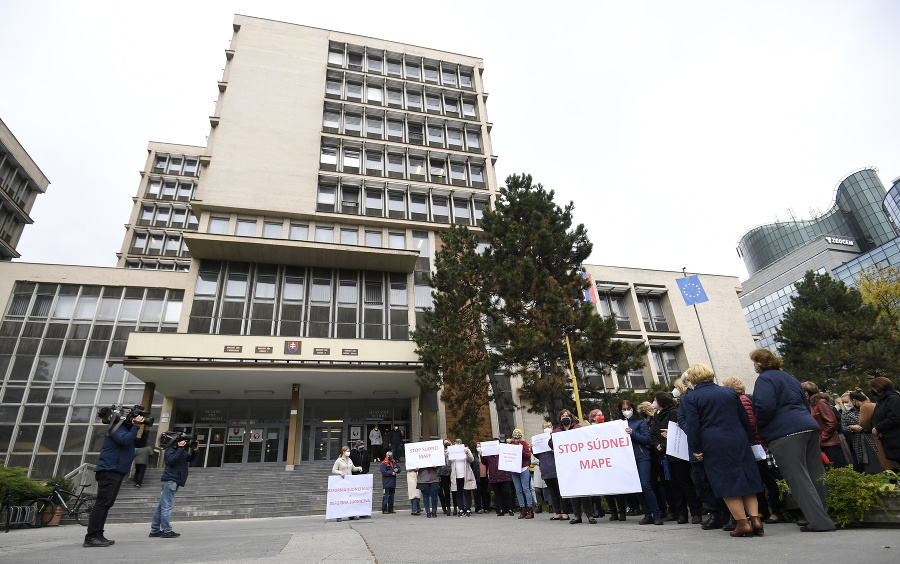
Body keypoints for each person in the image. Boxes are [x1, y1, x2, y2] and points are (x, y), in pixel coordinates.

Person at [750, 349, 835, 532]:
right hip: (808, 426)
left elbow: (765, 406)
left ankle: (819, 522)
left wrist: (762, 426)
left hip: (785, 432)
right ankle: (821, 515)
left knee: (797, 477)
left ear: (760, 363)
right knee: (815, 474)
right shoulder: (790, 378)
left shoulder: (765, 379)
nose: (754, 365)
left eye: (755, 362)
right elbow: (806, 404)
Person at [681, 364, 763, 538]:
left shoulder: (690, 398)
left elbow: (693, 425)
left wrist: (695, 447)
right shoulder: (729, 392)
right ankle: (756, 520)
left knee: (726, 483)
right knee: (747, 479)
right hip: (738, 439)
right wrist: (749, 439)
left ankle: (742, 523)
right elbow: (744, 418)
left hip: (713, 443)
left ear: (693, 378)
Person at [723, 376, 784, 526]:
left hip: (755, 445)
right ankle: (763, 511)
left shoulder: (742, 400)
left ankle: (776, 511)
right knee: (759, 479)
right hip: (755, 444)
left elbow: (749, 423)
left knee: (766, 479)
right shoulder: (743, 399)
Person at [84, 412, 147, 547]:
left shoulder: (125, 431)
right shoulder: (116, 428)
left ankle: (98, 535)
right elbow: (125, 440)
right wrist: (136, 426)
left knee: (106, 505)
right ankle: (91, 537)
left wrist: (145, 429)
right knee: (102, 504)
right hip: (109, 471)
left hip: (116, 472)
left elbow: (140, 442)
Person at [651, 391, 701, 524]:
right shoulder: (656, 416)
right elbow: (654, 433)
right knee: (673, 485)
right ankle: (681, 513)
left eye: (655, 400)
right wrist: (658, 445)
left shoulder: (673, 413)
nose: (653, 402)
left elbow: (677, 432)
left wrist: (664, 445)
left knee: (685, 483)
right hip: (663, 456)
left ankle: (695, 512)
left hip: (676, 455)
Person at [620, 399, 663, 526]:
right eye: (624, 409)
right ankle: (647, 514)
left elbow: (647, 440)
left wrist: (633, 433)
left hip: (641, 457)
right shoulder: (618, 425)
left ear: (633, 409)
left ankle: (656, 514)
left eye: (629, 408)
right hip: (628, 460)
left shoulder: (640, 423)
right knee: (637, 487)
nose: (626, 411)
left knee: (645, 485)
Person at [149, 436, 198, 538]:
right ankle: (167, 531)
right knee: (167, 506)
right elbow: (171, 461)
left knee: (162, 506)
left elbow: (190, 458)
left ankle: (155, 530)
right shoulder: (170, 450)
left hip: (174, 480)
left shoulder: (181, 452)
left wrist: (195, 451)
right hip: (170, 480)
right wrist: (180, 449)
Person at [554, 409, 594, 524]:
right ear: (560, 419)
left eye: (567, 416)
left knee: (584, 490)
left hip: (580, 463)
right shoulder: (557, 431)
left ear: (571, 418)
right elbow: (551, 443)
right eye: (563, 416)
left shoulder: (577, 428)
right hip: (567, 465)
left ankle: (590, 515)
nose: (565, 418)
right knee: (573, 490)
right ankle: (577, 516)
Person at [801, 382, 847, 468]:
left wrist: (821, 438)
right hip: (821, 444)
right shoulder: (810, 405)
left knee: (837, 471)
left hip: (830, 444)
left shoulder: (821, 402)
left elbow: (832, 423)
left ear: (806, 393)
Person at [841, 390, 881, 474]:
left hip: (871, 437)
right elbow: (844, 427)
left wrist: (864, 425)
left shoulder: (865, 408)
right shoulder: (845, 413)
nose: (845, 404)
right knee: (864, 461)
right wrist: (852, 427)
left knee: (877, 458)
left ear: (853, 400)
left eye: (847, 402)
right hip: (857, 440)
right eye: (843, 402)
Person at [535, 422, 565, 520]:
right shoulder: (539, 440)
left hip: (555, 468)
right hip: (545, 469)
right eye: (544, 427)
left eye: (548, 427)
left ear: (552, 428)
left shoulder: (555, 438)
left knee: (560, 491)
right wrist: (534, 448)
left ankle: (565, 512)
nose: (546, 428)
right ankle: (558, 512)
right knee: (552, 492)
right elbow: (537, 455)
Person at [870, 377, 900, 466]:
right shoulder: (882, 400)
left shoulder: (893, 398)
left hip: (896, 438)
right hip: (890, 439)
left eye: (873, 387)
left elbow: (895, 417)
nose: (872, 390)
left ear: (878, 387)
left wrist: (878, 428)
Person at [481, 439, 515, 516]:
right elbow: (484, 462)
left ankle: (510, 509)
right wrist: (482, 454)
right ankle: (501, 509)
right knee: (498, 494)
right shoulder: (488, 454)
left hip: (504, 475)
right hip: (494, 477)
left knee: (506, 493)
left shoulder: (503, 452)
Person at [508, 429, 535, 519]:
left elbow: (528, 456)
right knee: (518, 491)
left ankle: (530, 510)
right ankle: (523, 509)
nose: (517, 434)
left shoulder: (524, 443)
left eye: (518, 433)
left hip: (523, 468)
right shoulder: (510, 444)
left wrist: (521, 449)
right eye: (515, 433)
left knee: (526, 489)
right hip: (514, 469)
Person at [332, 446, 362, 521]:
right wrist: (340, 473)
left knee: (350, 498)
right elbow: (334, 470)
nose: (349, 452)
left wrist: (359, 468)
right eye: (347, 451)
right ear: (343, 452)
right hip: (342, 482)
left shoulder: (349, 460)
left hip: (350, 481)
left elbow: (353, 468)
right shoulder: (339, 460)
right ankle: (339, 515)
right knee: (342, 499)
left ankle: (351, 515)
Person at [449, 439, 476, 516]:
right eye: (455, 444)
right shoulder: (452, 452)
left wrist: (467, 453)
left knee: (467, 492)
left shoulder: (466, 449)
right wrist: (448, 456)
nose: (457, 445)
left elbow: (471, 460)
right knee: (459, 493)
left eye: (458, 443)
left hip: (465, 475)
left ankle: (468, 509)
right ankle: (461, 509)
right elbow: (448, 463)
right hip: (456, 476)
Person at [474, 442, 492, 514]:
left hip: (485, 477)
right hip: (477, 477)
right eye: (478, 446)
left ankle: (486, 507)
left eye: (480, 446)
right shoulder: (474, 456)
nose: (479, 448)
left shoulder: (486, 456)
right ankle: (478, 508)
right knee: (477, 493)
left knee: (486, 493)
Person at [438, 439, 454, 515]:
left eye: (447, 442)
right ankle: (446, 507)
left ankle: (455, 507)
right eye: (445, 443)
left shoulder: (453, 451)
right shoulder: (440, 452)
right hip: (443, 474)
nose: (446, 444)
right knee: (446, 491)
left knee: (453, 491)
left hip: (452, 473)